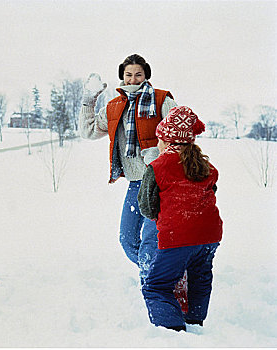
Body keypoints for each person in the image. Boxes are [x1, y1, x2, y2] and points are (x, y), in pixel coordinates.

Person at [79, 54, 177, 283]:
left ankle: (155, 286)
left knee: (151, 242)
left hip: (160, 182)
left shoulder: (162, 100)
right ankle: (160, 273)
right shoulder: (114, 107)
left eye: (138, 75)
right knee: (128, 240)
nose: (133, 80)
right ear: (122, 77)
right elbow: (89, 131)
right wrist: (88, 102)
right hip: (135, 184)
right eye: (128, 75)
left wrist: (160, 153)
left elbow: (181, 132)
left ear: (146, 76)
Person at [137, 106, 223, 331]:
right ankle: (195, 322)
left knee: (156, 286)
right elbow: (210, 193)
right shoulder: (207, 166)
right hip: (210, 235)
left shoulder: (158, 165)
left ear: (166, 140)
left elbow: (146, 207)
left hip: (178, 236)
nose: (158, 145)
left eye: (159, 139)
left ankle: (173, 333)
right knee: (200, 277)